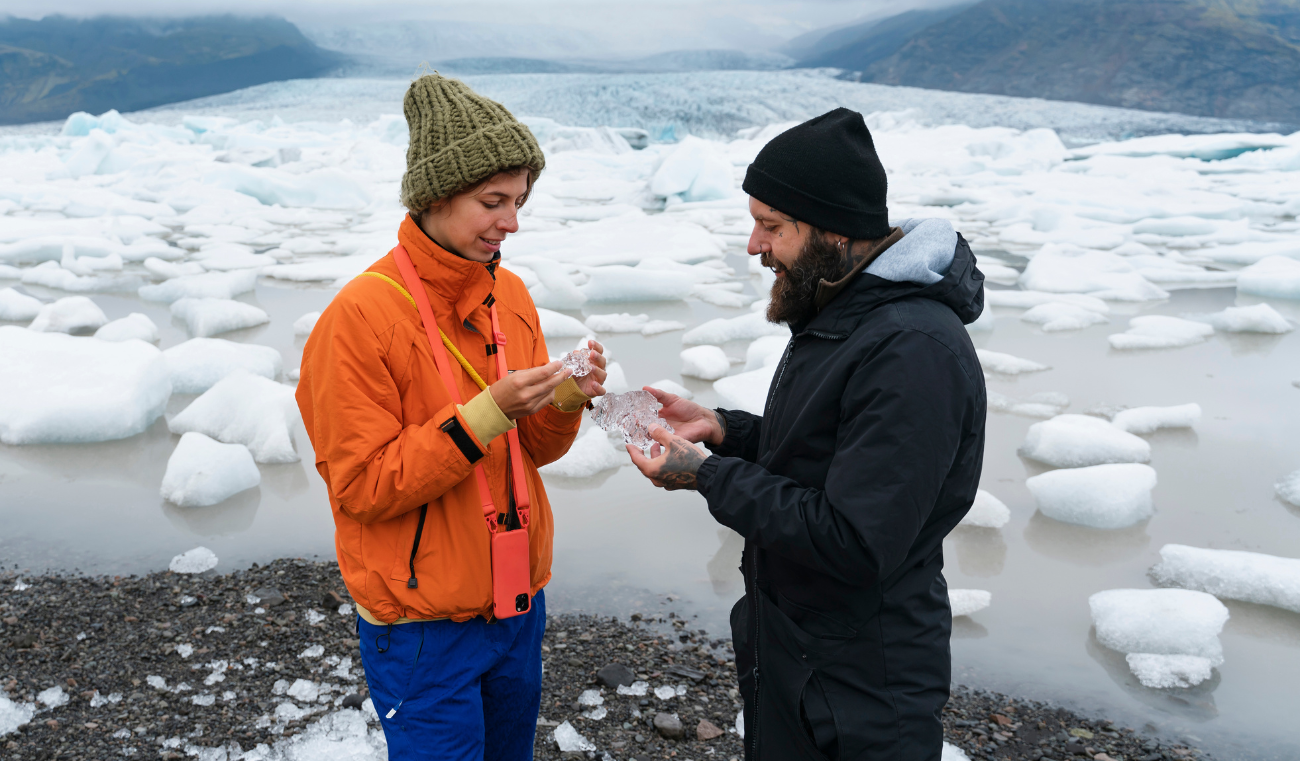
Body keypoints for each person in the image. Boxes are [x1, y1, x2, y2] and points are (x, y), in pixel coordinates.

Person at [628, 108, 988, 760]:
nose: (752, 245)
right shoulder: (848, 315)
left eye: (771, 226)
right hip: (806, 654)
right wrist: (723, 431)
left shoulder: (911, 349)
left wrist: (705, 474)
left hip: (863, 685)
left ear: (832, 231)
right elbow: (831, 452)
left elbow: (853, 538)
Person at [296, 74, 607, 760]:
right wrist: (483, 415)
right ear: (434, 196)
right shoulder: (359, 319)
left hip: (517, 601)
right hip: (420, 624)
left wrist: (564, 398)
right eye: (491, 201)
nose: (512, 222)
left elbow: (535, 452)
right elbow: (362, 486)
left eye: (520, 201)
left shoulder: (510, 293)